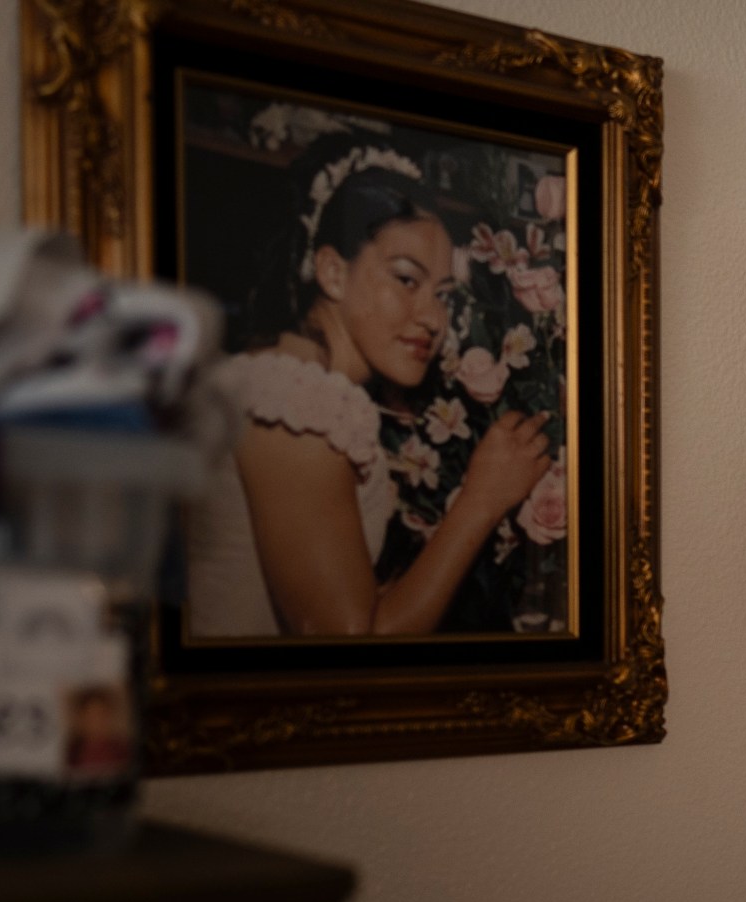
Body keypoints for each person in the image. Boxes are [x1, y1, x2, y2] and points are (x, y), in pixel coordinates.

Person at [188, 139, 552, 638]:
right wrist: (482, 499)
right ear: (333, 271)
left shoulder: (281, 381)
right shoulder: (295, 405)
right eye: (406, 279)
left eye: (442, 294)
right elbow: (352, 647)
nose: (432, 318)